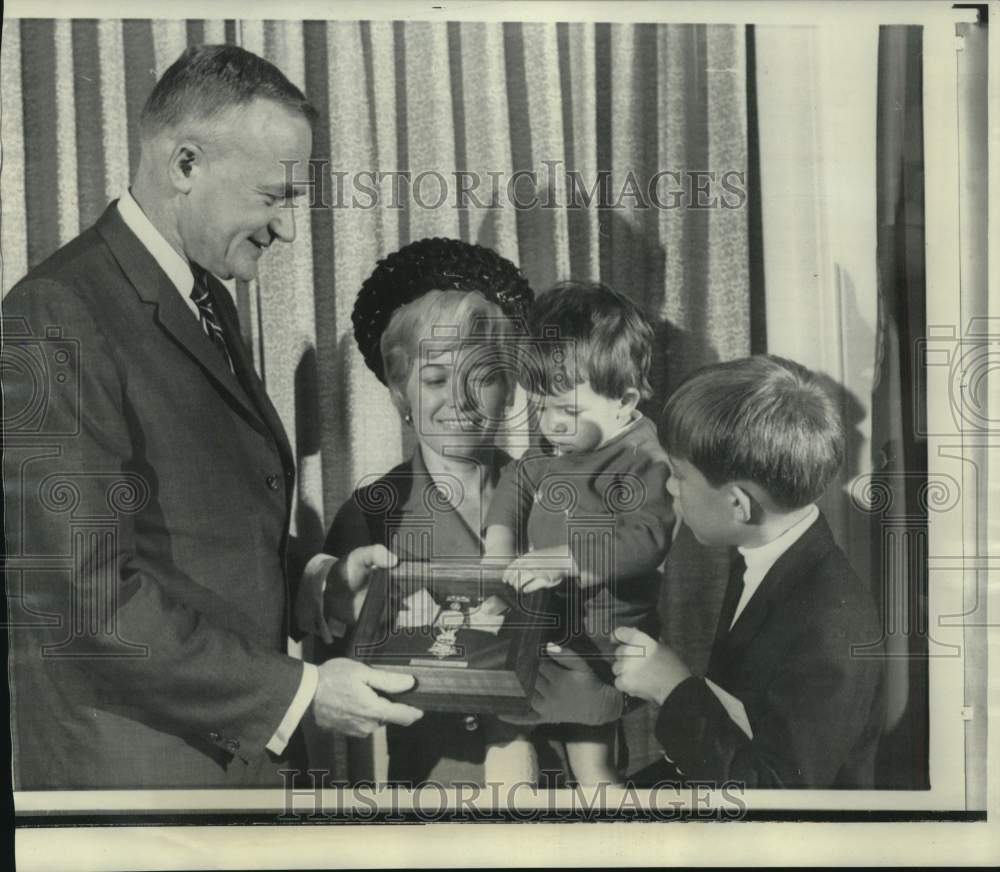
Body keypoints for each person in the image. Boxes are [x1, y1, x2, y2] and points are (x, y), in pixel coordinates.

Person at [2, 44, 420, 790]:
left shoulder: (207, 297)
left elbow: (207, 521)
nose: (285, 229)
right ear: (185, 164)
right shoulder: (53, 313)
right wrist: (299, 694)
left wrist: (314, 582)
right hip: (136, 787)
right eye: (272, 197)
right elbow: (85, 597)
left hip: (223, 768)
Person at [300, 239, 627, 786]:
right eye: (434, 380)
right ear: (400, 395)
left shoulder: (559, 495)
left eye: (484, 377)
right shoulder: (368, 518)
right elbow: (338, 699)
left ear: (510, 391)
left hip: (555, 796)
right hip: (431, 800)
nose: (461, 400)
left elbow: (608, 654)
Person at [612, 355, 885, 788]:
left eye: (679, 476)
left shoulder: (832, 623)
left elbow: (777, 793)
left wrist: (674, 689)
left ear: (738, 504)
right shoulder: (767, 554)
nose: (668, 487)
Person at [482, 281, 674, 784]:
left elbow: (647, 539)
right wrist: (499, 550)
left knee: (593, 766)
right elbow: (515, 483)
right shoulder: (553, 446)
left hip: (598, 647)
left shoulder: (643, 458)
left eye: (567, 411)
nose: (550, 426)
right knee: (505, 733)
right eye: (540, 407)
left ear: (624, 401)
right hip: (545, 631)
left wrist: (568, 558)